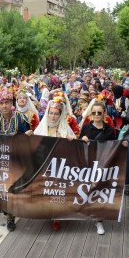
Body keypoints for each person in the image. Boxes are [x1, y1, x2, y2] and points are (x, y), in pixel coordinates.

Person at [0, 89, 32, 232]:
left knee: (12, 187)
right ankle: (6, 209)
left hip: (16, 160)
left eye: (6, 102)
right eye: (1, 103)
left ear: (12, 103)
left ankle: (11, 218)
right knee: (2, 187)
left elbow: (29, 139)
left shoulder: (21, 119)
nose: (4, 106)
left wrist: (23, 135)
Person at [34, 96, 76, 231]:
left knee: (57, 192)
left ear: (60, 114)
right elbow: (33, 146)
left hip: (60, 166)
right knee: (46, 191)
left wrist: (71, 141)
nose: (53, 116)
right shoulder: (41, 127)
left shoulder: (65, 128)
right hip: (44, 165)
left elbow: (75, 145)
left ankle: (56, 217)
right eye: (51, 113)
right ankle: (48, 213)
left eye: (56, 113)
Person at [80, 101, 116, 235]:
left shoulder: (109, 130)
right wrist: (82, 141)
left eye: (99, 113)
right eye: (93, 112)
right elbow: (78, 147)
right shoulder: (85, 128)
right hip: (87, 164)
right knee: (86, 190)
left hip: (102, 164)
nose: (96, 115)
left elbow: (113, 147)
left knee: (100, 192)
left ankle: (99, 221)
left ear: (104, 114)